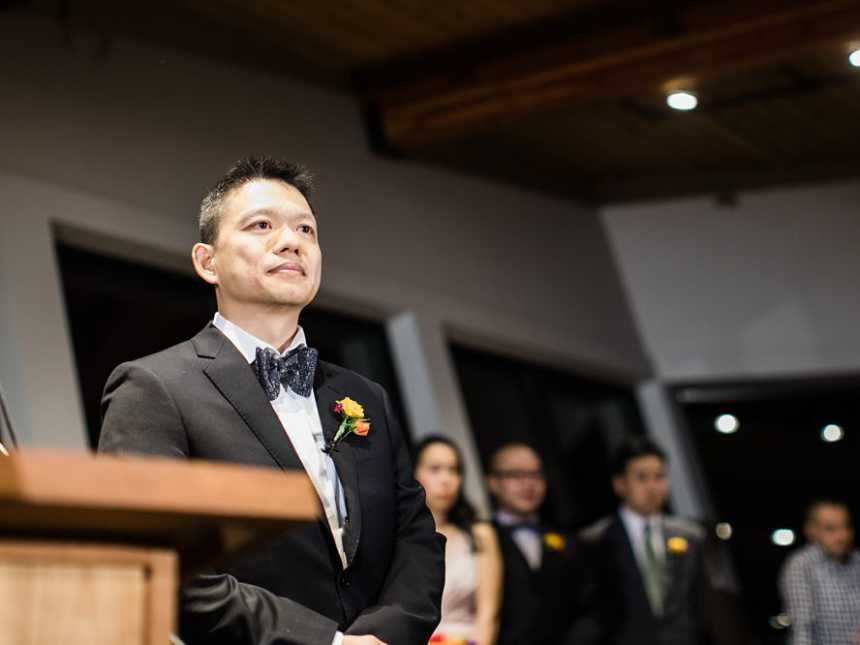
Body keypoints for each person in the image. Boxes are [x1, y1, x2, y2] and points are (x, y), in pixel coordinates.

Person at [99, 157, 445, 645]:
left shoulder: (363, 396)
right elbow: (159, 559)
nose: (292, 241)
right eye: (261, 225)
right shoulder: (153, 387)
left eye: (306, 229)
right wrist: (329, 644)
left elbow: (416, 535)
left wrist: (384, 634)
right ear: (207, 262)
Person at [578, 435, 709, 645]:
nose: (652, 487)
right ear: (620, 484)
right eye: (641, 477)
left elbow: (705, 606)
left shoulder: (690, 536)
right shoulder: (595, 540)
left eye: (659, 477)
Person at [485, 443, 588, 645]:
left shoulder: (568, 542)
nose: (528, 483)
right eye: (516, 475)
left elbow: (587, 605)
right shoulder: (482, 540)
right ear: (492, 482)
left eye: (535, 474)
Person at [413, 436, 502, 645]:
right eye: (435, 469)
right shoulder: (399, 538)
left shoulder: (480, 534)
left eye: (454, 470)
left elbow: (488, 613)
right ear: (414, 473)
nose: (446, 479)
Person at [779, 499, 860, 645]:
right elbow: (802, 628)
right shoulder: (801, 565)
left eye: (846, 526)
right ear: (811, 530)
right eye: (830, 529)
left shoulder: (857, 560)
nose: (842, 535)